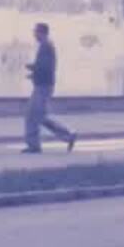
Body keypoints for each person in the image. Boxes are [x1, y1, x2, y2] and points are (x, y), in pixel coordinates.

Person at [23, 22, 78, 154]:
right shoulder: (46, 45)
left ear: (42, 33)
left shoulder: (46, 46)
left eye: (36, 32)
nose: (34, 34)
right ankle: (68, 135)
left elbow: (45, 67)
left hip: (43, 86)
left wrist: (33, 69)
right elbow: (45, 67)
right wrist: (33, 72)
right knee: (39, 116)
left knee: (32, 115)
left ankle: (34, 145)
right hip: (43, 85)